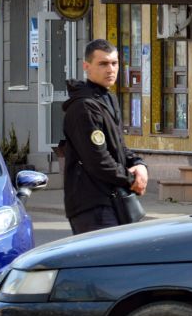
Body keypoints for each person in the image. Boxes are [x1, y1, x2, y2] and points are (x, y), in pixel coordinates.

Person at [62, 39, 149, 235]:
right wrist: (131, 180)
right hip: (92, 206)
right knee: (104, 263)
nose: (110, 69)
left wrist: (139, 164)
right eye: (103, 64)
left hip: (112, 200)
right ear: (87, 67)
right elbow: (98, 161)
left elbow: (118, 146)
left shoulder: (107, 99)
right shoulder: (84, 107)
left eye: (114, 63)